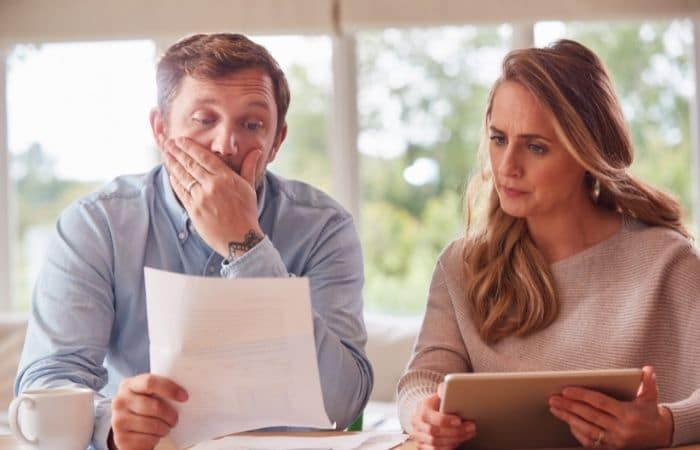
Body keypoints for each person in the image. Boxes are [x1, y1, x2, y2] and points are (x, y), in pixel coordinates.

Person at [15, 33, 373, 450]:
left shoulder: (324, 228)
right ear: (161, 129)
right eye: (204, 120)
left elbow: (342, 404)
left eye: (252, 124)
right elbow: (49, 382)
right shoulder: (97, 225)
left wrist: (247, 245)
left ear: (277, 140)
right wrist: (110, 424)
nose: (226, 145)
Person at [398, 39, 700, 449]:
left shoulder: (669, 262)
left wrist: (666, 425)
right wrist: (424, 415)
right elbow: (423, 380)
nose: (507, 167)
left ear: (587, 153)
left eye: (535, 147)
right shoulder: (461, 264)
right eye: (499, 138)